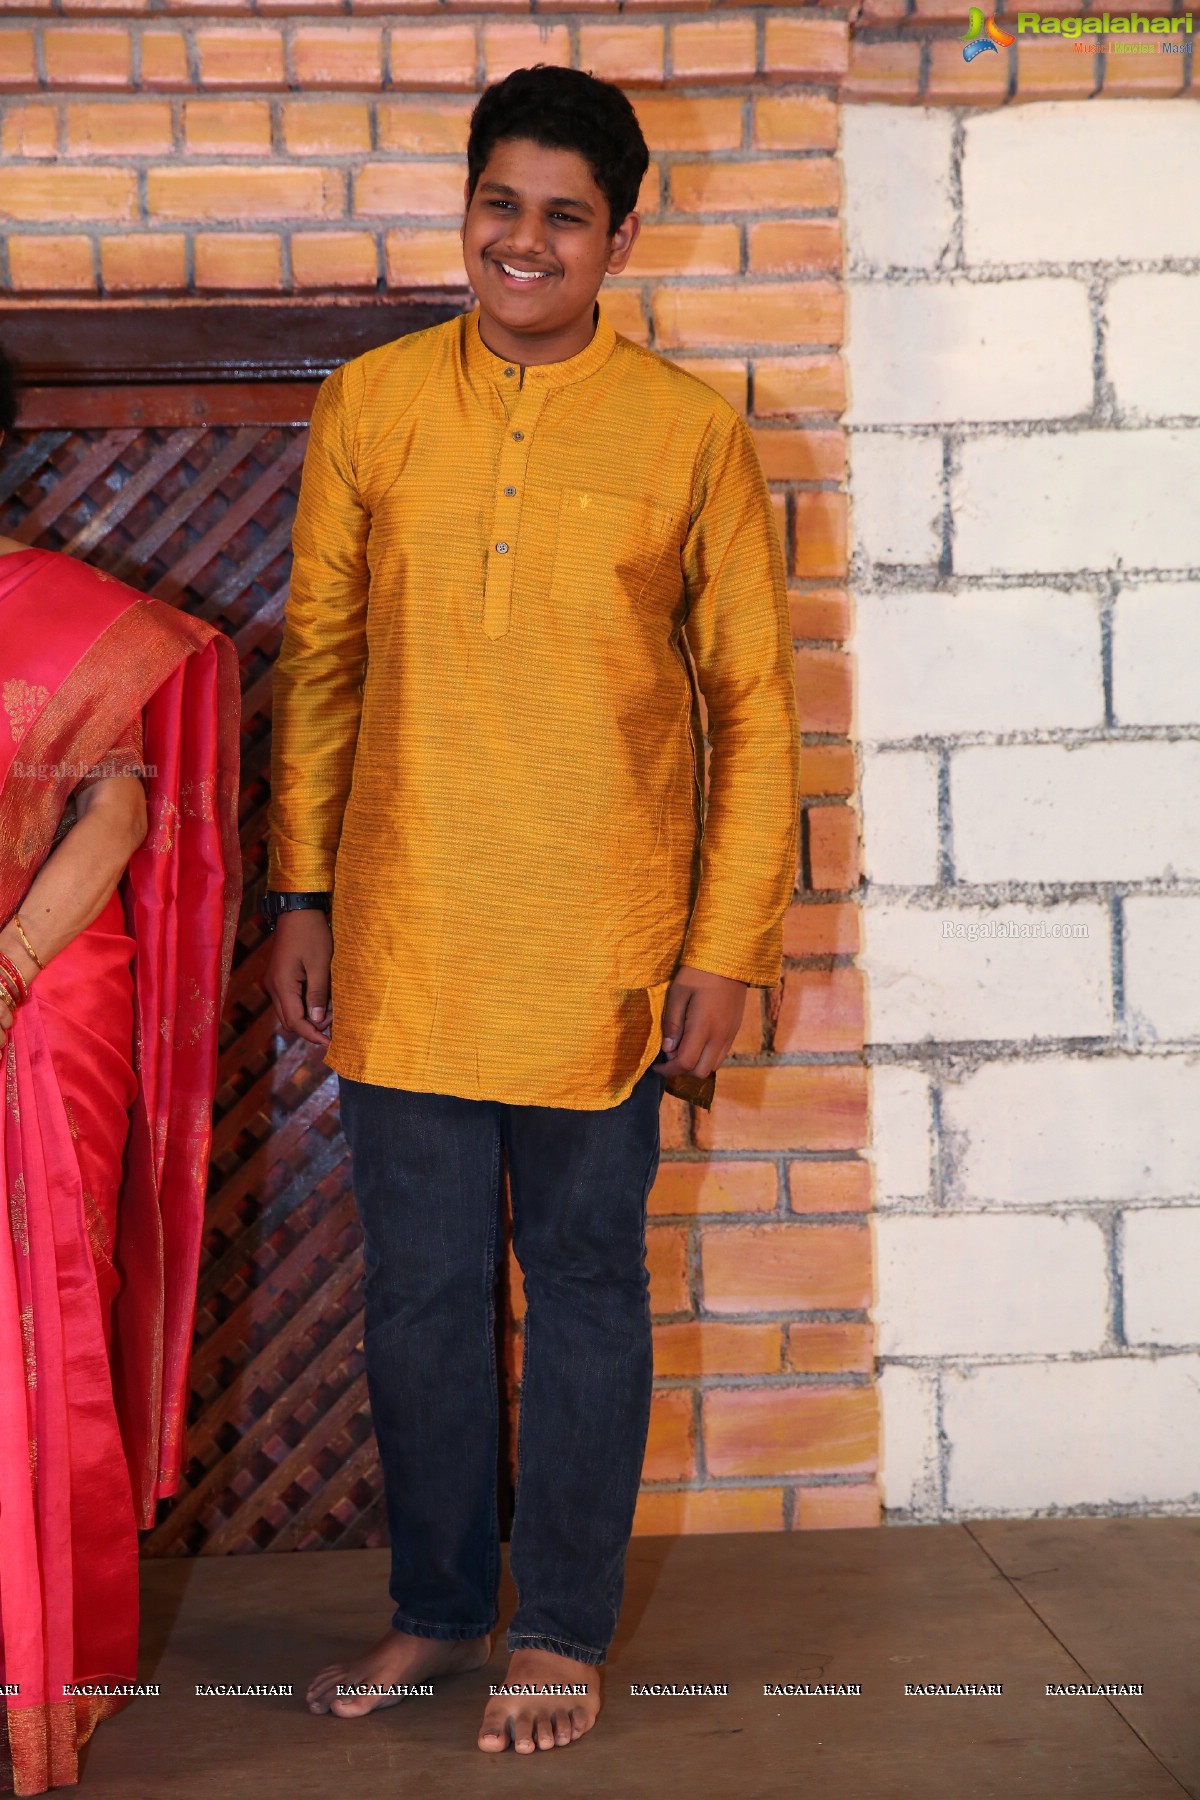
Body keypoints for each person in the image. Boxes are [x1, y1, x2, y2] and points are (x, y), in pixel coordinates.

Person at [264, 64, 801, 1756]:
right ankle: (438, 1606)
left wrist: (725, 948)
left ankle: (557, 1628)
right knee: (417, 1294)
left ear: (622, 235)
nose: (524, 240)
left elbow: (754, 709)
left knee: (580, 1283)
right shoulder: (372, 406)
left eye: (565, 215)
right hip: (411, 925)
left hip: (607, 947)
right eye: (502, 202)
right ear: (470, 205)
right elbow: (327, 667)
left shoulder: (691, 433)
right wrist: (305, 891)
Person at [0, 344, 242, 1795]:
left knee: (33, 1340)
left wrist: (13, 962)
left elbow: (119, 803)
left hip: (37, 997)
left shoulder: (59, 620)